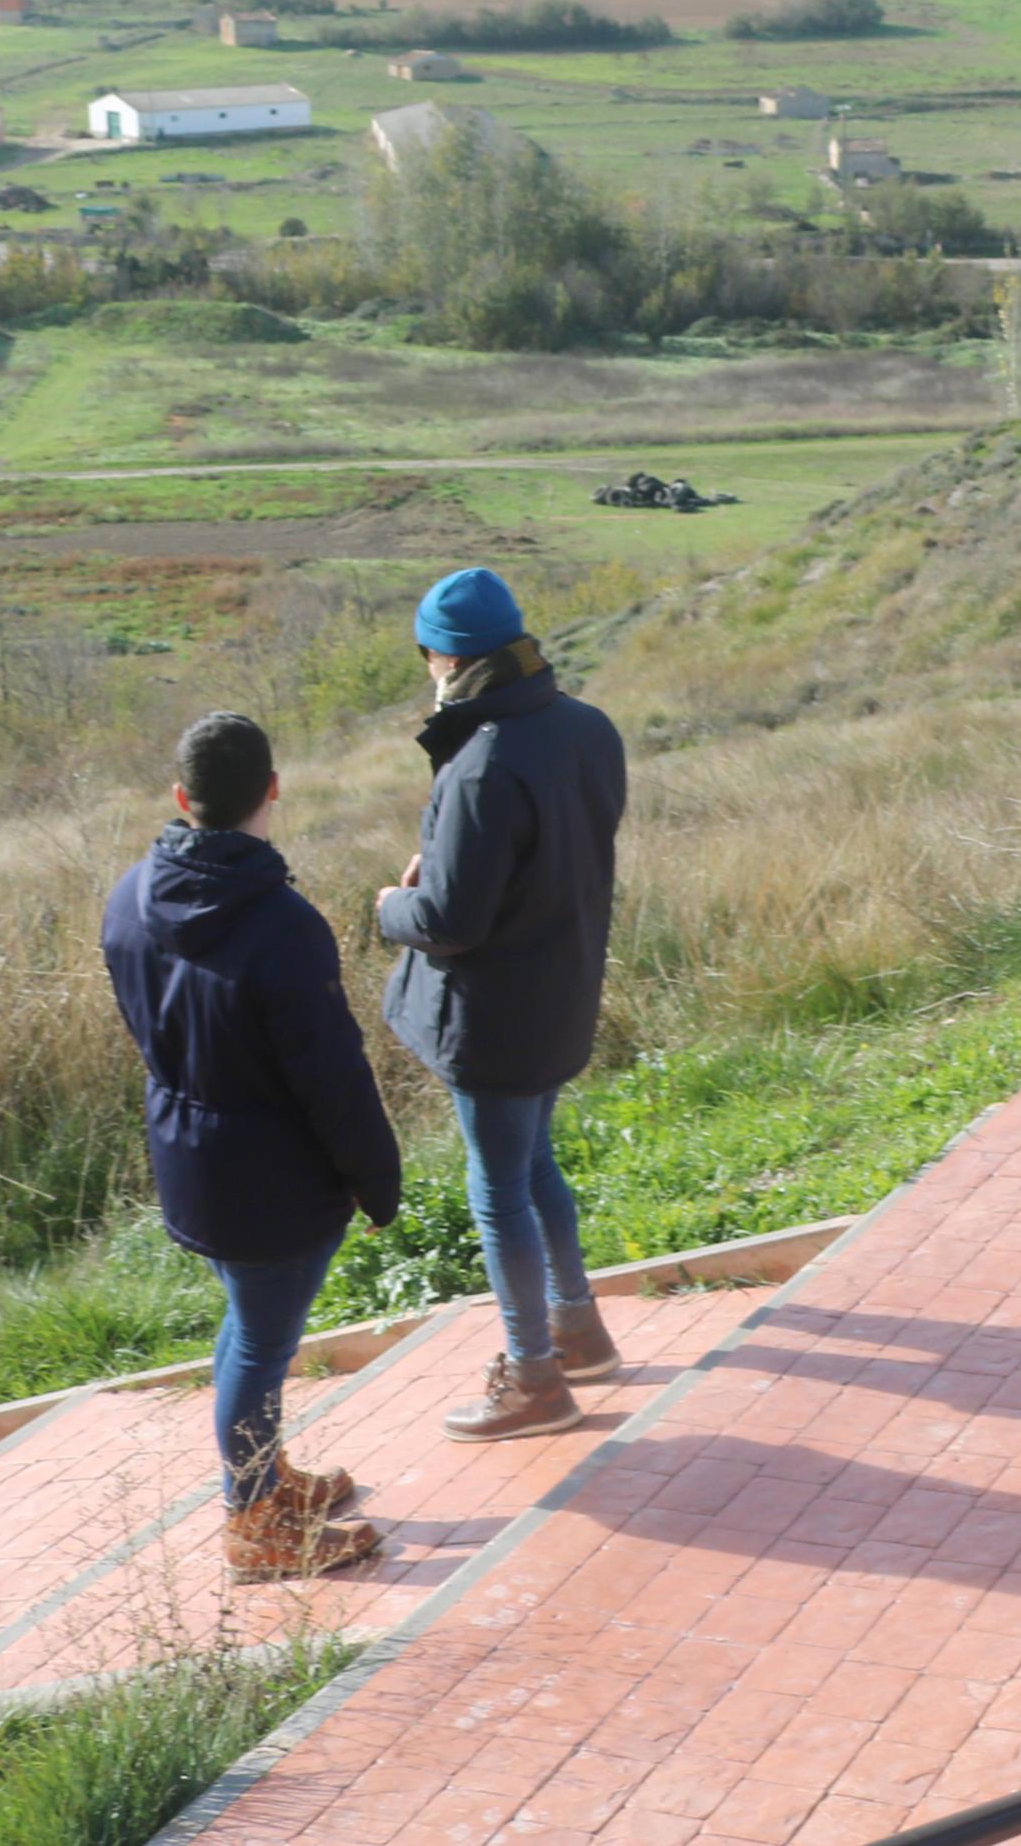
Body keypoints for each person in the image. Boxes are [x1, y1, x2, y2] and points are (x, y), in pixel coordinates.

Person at [100, 711, 404, 1582]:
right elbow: (332, 1077)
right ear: (272, 788)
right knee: (260, 1343)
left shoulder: (129, 895)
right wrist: (375, 1178)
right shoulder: (283, 924)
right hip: (275, 1177)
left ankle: (265, 1481)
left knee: (250, 1326)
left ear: (180, 798)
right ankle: (252, 1522)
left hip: (189, 1152)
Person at [373, 566, 632, 1443]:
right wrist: (443, 869)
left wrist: (388, 907)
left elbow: (449, 919)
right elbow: (551, 854)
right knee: (535, 1165)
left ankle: (533, 1378)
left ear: (442, 655)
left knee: (499, 1192)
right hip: (563, 989)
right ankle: (580, 1331)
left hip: (494, 1016)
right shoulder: (587, 728)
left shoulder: (481, 762)